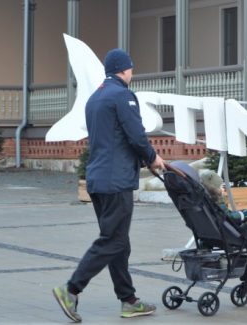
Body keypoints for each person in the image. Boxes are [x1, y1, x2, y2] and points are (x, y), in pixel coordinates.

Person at [53, 48, 166, 322]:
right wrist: (152, 158)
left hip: (97, 179)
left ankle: (128, 300)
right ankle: (71, 289)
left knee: (118, 241)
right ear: (124, 70)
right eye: (131, 68)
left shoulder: (95, 98)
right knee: (112, 240)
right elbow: (136, 135)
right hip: (116, 181)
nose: (132, 73)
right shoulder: (123, 96)